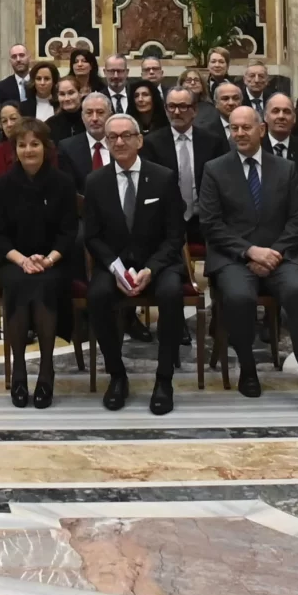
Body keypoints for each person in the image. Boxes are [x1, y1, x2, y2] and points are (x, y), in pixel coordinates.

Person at [200, 105, 298, 415]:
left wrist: (274, 253)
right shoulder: (215, 168)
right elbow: (211, 224)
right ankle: (248, 368)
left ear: (262, 130)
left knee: (297, 294)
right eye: (234, 128)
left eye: (246, 127)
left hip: (282, 254)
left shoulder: (285, 168)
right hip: (234, 257)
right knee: (239, 297)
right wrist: (249, 252)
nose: (239, 133)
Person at [82, 112, 185, 414]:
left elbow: (175, 235)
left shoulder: (163, 177)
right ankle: (117, 376)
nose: (119, 141)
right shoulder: (95, 181)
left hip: (159, 264)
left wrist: (150, 270)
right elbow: (92, 236)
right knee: (97, 296)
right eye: (112, 137)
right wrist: (116, 268)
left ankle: (164, 379)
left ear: (139, 140)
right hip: (114, 264)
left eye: (126, 135)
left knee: (171, 294)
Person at [0, 119, 73, 409]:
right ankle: (20, 370)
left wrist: (47, 260)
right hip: (15, 260)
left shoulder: (62, 183)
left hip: (54, 261)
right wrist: (22, 260)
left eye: (34, 144)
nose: (28, 150)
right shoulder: (4, 185)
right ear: (15, 150)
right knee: (20, 285)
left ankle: (46, 370)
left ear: (46, 148)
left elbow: (68, 232)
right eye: (22, 145)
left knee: (44, 287)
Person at [160, 87, 230, 227]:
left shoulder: (213, 142)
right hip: (165, 221)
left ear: (195, 110)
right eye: (172, 106)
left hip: (206, 220)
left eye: (183, 106)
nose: (177, 112)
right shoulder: (152, 144)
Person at [58, 93, 116, 184]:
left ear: (110, 116)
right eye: (89, 113)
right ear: (82, 116)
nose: (94, 118)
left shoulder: (120, 144)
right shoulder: (67, 148)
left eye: (100, 112)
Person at [257, 91, 298, 166]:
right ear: (265, 116)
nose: (281, 116)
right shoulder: (255, 148)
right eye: (275, 111)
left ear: (294, 118)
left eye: (286, 111)